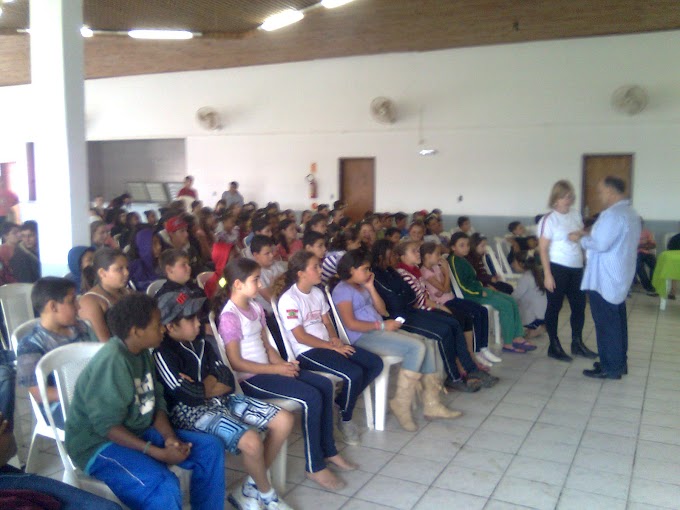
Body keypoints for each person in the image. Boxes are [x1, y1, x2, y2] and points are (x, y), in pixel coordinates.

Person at [65, 294, 225, 510]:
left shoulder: (142, 353)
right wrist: (157, 452)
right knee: (163, 484)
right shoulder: (114, 361)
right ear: (136, 331)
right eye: (157, 324)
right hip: (99, 445)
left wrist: (169, 438)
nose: (163, 329)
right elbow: (107, 427)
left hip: (136, 429)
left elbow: (155, 401)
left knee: (210, 448)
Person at [215, 258, 356, 491]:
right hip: (251, 379)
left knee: (324, 385)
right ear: (237, 284)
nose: (260, 284)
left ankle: (329, 450)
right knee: (311, 397)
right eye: (255, 280)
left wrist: (283, 363)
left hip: (269, 370)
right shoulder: (230, 316)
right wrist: (275, 369)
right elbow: (236, 361)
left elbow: (266, 345)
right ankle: (315, 466)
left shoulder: (255, 307)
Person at [153, 290, 294, 510]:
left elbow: (227, 378)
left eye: (197, 317)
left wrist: (203, 386)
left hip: (223, 401)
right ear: (171, 326)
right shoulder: (164, 353)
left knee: (284, 419)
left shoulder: (203, 343)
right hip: (191, 414)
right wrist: (209, 384)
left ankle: (249, 488)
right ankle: (267, 495)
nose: (198, 324)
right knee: (252, 441)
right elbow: (187, 395)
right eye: (190, 320)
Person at [333, 249, 462, 430]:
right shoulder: (342, 291)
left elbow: (382, 311)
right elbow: (351, 324)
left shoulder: (362, 286)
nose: (369, 273)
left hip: (378, 330)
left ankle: (432, 403)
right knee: (416, 347)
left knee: (427, 343)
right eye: (364, 269)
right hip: (363, 337)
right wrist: (382, 326)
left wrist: (370, 287)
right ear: (351, 270)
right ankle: (401, 403)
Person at [275, 251, 383, 445]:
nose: (320, 270)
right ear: (301, 273)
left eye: (320, 266)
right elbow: (300, 336)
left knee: (375, 363)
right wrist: (330, 346)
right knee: (353, 373)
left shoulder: (317, 293)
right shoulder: (289, 299)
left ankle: (341, 403)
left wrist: (335, 339)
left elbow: (327, 322)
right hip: (307, 351)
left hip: (328, 345)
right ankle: (346, 418)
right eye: (315, 267)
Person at [372, 240, 494, 392]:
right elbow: (399, 303)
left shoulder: (392, 272)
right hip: (399, 318)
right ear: (382, 256)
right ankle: (454, 377)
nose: (395, 258)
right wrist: (403, 298)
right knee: (443, 330)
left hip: (411, 310)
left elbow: (410, 297)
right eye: (392, 255)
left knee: (453, 323)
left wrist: (403, 297)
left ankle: (470, 368)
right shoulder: (380, 275)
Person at [569, 177, 641, 380]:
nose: (600, 196)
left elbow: (601, 244)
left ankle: (611, 368)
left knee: (606, 324)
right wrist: (588, 233)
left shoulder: (612, 214)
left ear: (610, 191)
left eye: (601, 191)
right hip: (620, 275)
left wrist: (580, 239)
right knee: (617, 322)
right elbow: (611, 237)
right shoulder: (630, 213)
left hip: (605, 278)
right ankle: (618, 362)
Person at [16, 277, 98, 428]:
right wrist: (85, 395)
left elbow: (99, 359)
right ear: (53, 306)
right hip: (59, 407)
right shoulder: (30, 345)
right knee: (107, 419)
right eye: (72, 301)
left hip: (93, 395)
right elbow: (39, 393)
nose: (78, 306)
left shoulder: (82, 327)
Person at [538, 180, 596, 362]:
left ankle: (577, 343)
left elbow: (581, 237)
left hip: (576, 267)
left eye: (571, 196)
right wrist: (547, 275)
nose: (569, 200)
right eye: (565, 197)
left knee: (579, 306)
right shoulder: (549, 219)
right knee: (554, 307)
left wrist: (580, 236)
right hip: (557, 267)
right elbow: (543, 249)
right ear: (555, 199)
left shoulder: (575, 214)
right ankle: (553, 345)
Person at [420, 242, 501, 367]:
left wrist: (443, 282)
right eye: (437, 254)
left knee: (481, 310)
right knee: (470, 315)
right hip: (444, 302)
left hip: (451, 298)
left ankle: (483, 347)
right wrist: (446, 272)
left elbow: (444, 289)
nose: (440, 257)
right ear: (427, 256)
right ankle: (475, 351)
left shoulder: (436, 267)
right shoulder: (425, 272)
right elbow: (445, 288)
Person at [449, 233, 533, 353]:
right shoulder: (454, 261)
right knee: (505, 305)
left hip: (480, 290)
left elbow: (475, 278)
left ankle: (518, 336)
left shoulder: (463, 259)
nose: (466, 248)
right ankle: (508, 343)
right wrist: (479, 292)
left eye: (467, 245)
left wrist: (484, 287)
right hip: (471, 295)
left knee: (511, 300)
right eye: (461, 245)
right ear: (453, 247)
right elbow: (462, 285)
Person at [78, 248, 131, 342]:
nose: (126, 273)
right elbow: (105, 344)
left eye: (127, 268)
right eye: (119, 269)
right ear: (102, 273)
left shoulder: (129, 293)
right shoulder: (90, 302)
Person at [511, 251, 547, 338]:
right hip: (543, 314)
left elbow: (515, 296)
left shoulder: (525, 278)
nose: (512, 264)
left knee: (512, 304)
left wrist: (504, 297)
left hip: (535, 315)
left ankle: (535, 328)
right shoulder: (535, 274)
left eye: (514, 262)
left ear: (521, 264)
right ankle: (538, 326)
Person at [128, 228, 163, 292]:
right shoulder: (136, 268)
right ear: (144, 246)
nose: (159, 246)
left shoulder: (162, 261)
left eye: (159, 242)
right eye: (154, 243)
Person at [636, 219, 658, 296]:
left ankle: (653, 284)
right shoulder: (629, 232)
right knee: (639, 267)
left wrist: (639, 246)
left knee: (655, 265)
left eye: (640, 223)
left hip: (646, 253)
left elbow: (653, 245)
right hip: (634, 255)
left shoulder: (647, 232)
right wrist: (645, 245)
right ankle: (648, 287)